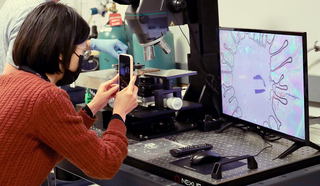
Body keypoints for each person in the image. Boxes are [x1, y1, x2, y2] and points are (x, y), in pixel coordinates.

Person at [0, 2, 138, 186]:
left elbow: (55, 138)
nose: (82, 58)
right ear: (61, 54)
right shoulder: (46, 95)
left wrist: (93, 107)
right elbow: (105, 165)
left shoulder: (7, 82)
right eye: (81, 52)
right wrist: (120, 114)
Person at [0, 0, 128, 75]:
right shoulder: (34, 11)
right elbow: (11, 82)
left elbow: (43, 45)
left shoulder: (19, 2)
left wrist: (90, 44)